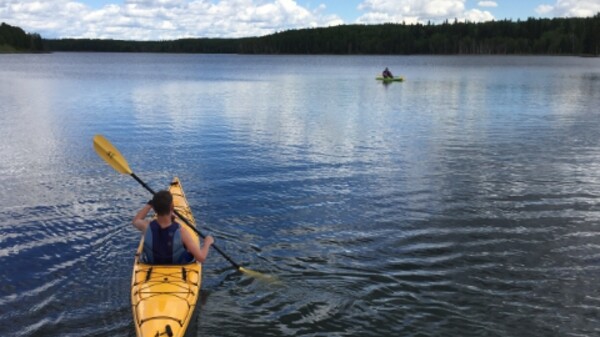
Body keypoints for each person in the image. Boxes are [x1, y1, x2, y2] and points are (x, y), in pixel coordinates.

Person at [132, 190, 214, 264]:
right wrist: (207, 243)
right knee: (188, 248)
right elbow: (201, 258)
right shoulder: (181, 231)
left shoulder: (146, 226)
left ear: (154, 209)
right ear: (172, 206)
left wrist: (149, 205)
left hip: (153, 262)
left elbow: (135, 220)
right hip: (178, 263)